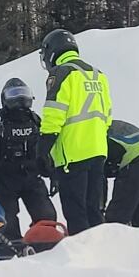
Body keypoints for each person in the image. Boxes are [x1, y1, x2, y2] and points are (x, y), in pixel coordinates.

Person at [36, 29, 112, 235]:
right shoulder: (98, 75)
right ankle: (102, 250)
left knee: (75, 211)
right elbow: (107, 116)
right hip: (98, 151)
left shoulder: (61, 73)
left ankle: (82, 258)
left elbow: (54, 115)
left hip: (73, 154)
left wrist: (43, 149)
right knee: (94, 209)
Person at [0, 78, 57, 241]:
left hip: (32, 177)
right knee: (6, 223)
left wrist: (53, 173)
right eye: (14, 96)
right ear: (5, 99)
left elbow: (48, 149)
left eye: (23, 96)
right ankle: (11, 254)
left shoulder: (35, 120)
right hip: (4, 179)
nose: (19, 101)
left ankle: (45, 245)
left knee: (47, 216)